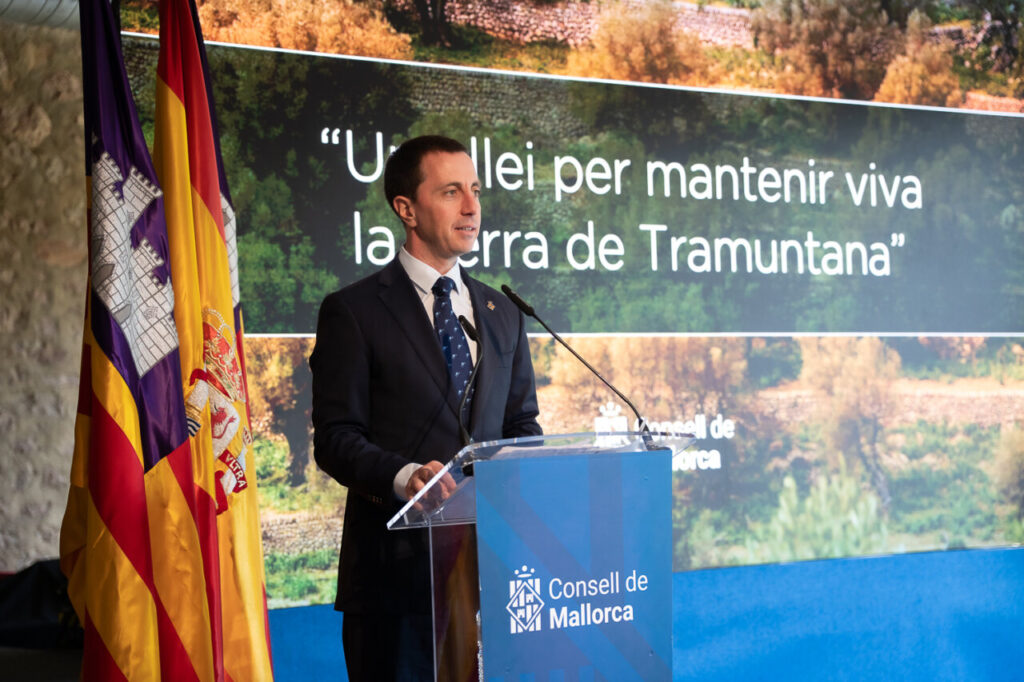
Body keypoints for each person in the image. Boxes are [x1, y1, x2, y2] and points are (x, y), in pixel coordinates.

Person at [310, 135, 542, 681]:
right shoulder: (355, 311)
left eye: (476, 191)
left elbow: (521, 424)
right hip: (396, 582)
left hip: (492, 575)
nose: (472, 207)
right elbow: (337, 437)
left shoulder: (502, 311)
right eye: (452, 191)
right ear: (406, 209)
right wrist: (405, 474)